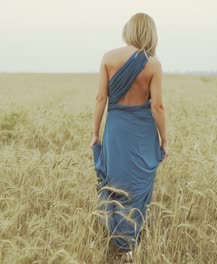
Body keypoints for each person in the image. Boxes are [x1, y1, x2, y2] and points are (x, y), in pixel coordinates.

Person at [89, 12, 168, 257]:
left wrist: (95, 134)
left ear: (128, 30)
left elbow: (101, 98)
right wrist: (164, 140)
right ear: (150, 33)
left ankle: (118, 240)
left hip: (116, 130)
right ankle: (130, 242)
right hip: (143, 133)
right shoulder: (153, 64)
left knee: (116, 181)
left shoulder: (108, 58)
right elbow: (157, 107)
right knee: (137, 184)